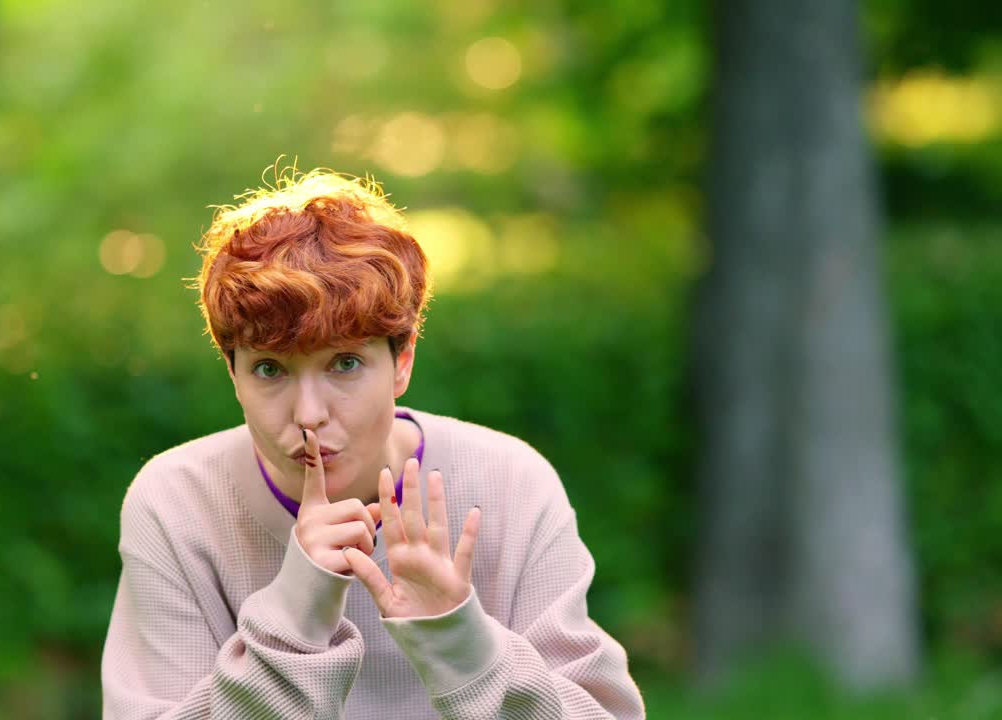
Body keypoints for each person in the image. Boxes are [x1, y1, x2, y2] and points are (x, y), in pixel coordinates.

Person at [100, 167, 646, 719]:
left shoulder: (509, 484)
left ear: (401, 360)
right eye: (269, 369)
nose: (309, 415)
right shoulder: (177, 505)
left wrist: (461, 640)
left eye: (345, 363)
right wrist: (292, 620)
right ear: (231, 371)